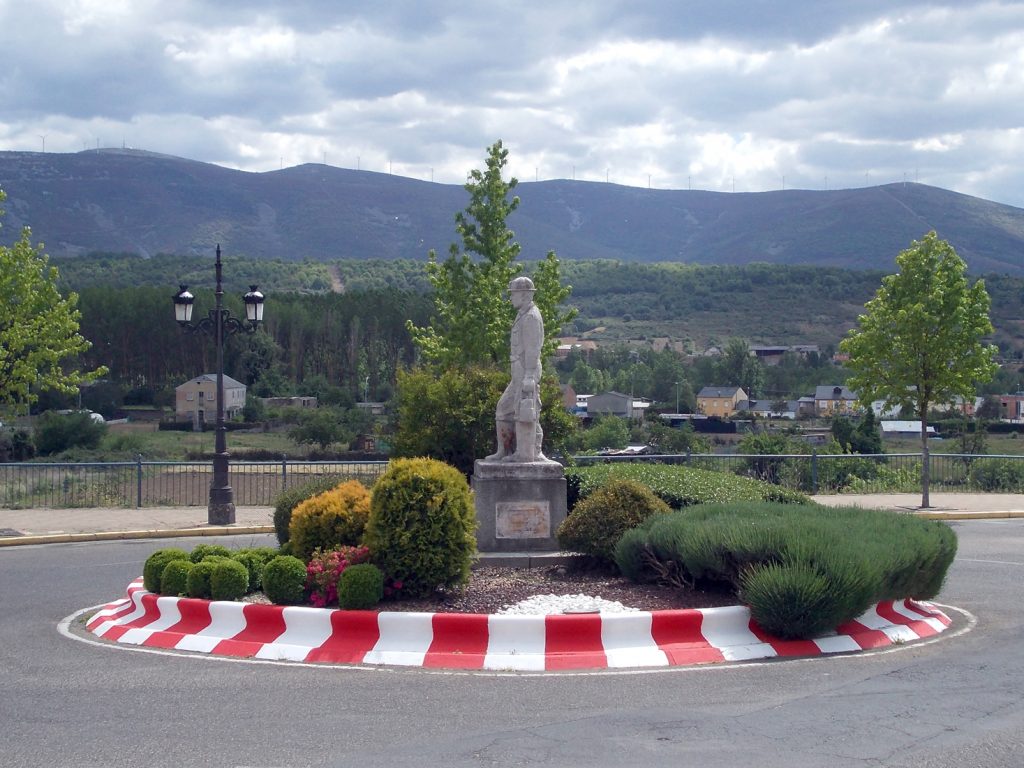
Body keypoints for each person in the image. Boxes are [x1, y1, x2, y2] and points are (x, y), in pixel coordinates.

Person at [485, 276, 547, 462]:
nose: (511, 298)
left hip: (526, 369)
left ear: (525, 295)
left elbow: (532, 349)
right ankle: (506, 450)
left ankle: (526, 453)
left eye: (514, 294)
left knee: (525, 409)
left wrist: (529, 375)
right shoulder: (522, 314)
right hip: (518, 370)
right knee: (505, 408)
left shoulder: (530, 317)